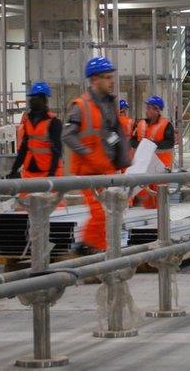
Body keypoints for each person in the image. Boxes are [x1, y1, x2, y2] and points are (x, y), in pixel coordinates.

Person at [62, 56, 132, 253]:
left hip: (106, 171)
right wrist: (88, 154)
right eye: (107, 77)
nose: (112, 81)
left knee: (111, 214)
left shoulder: (108, 105)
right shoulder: (80, 105)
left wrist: (122, 158)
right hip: (89, 173)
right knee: (102, 214)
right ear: (94, 80)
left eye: (112, 77)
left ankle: (98, 255)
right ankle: (86, 251)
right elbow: (67, 135)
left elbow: (112, 134)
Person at [9, 82, 63, 179]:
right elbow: (23, 149)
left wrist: (51, 174)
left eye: (35, 98)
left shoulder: (53, 122)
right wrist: (14, 170)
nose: (31, 100)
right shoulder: (28, 121)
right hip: (29, 173)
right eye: (31, 97)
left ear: (43, 99)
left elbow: (57, 151)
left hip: (48, 173)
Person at [130, 95, 175, 208]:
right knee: (144, 193)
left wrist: (150, 146)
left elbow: (169, 143)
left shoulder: (167, 125)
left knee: (161, 195)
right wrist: (143, 146)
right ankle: (150, 213)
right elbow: (133, 141)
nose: (147, 110)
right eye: (147, 108)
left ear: (157, 110)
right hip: (144, 166)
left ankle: (161, 217)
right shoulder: (140, 124)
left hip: (161, 166)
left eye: (149, 108)